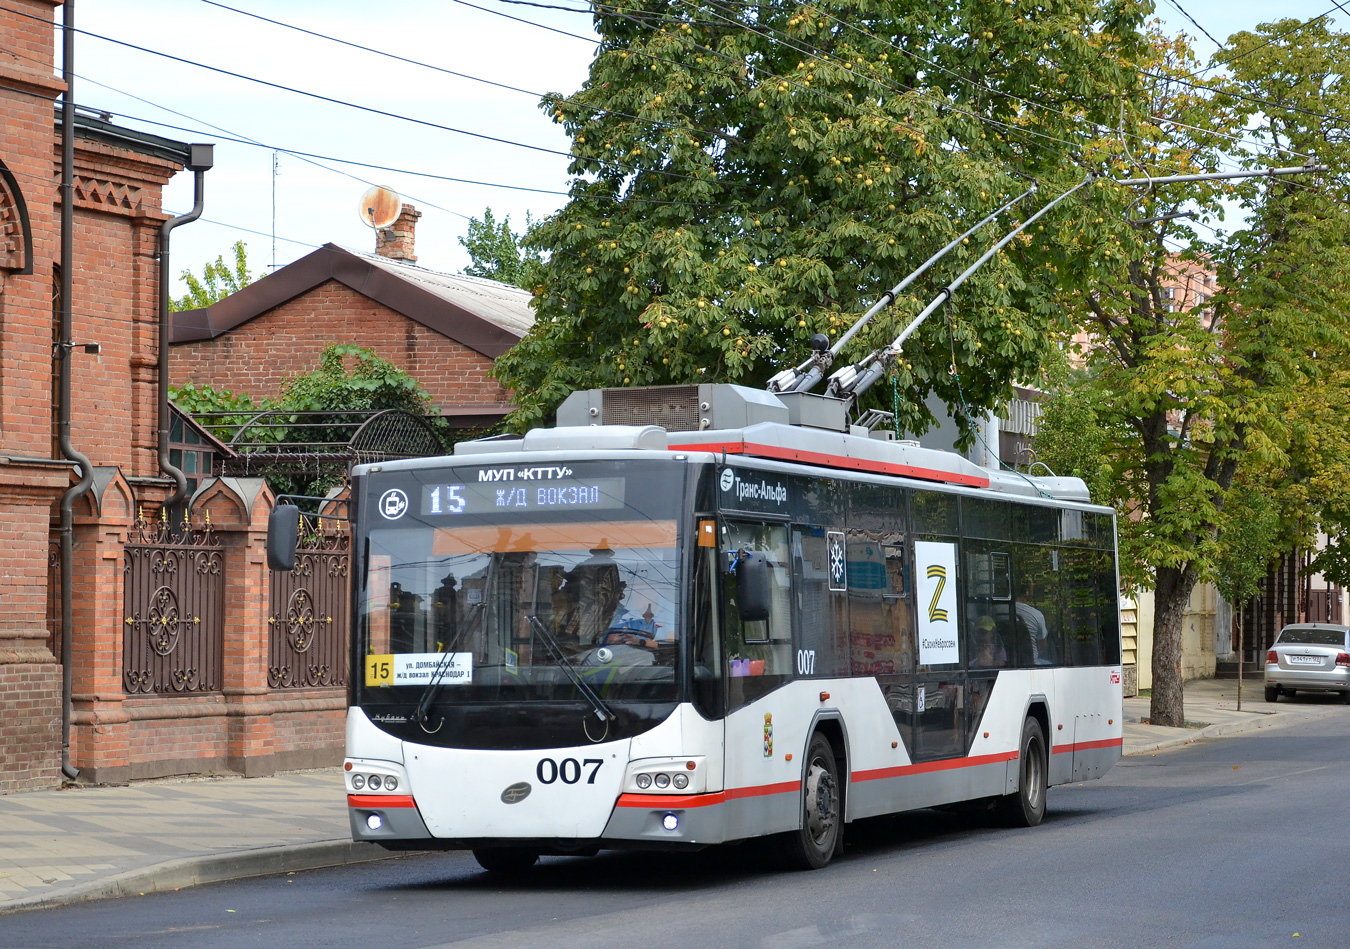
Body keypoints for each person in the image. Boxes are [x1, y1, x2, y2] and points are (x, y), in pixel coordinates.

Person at [1015, 583, 1051, 665]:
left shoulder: (995, 610)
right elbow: (1042, 647)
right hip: (1032, 663)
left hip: (1005, 661)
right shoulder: (1036, 615)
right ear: (1026, 593)